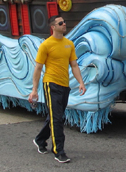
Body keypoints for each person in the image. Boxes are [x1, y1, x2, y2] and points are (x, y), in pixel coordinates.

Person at [28, 15, 86, 163]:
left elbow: (74, 65)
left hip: (65, 85)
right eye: (61, 23)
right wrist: (34, 90)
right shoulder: (46, 45)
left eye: (64, 21)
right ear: (53, 27)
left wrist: (81, 82)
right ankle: (58, 151)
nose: (64, 24)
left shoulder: (69, 44)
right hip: (51, 84)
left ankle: (40, 139)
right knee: (57, 118)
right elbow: (38, 68)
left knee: (56, 116)